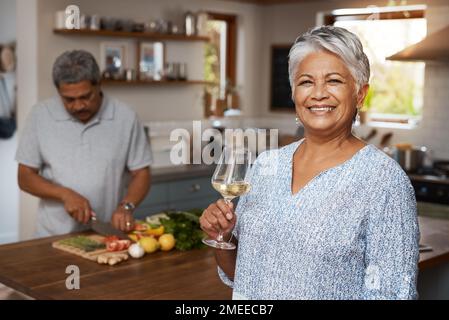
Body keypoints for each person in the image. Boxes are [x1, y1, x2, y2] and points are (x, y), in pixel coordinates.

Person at [200, 26, 419, 300]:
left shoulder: (383, 181)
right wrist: (224, 237)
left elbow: (394, 295)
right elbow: (242, 278)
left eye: (334, 81)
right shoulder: (266, 165)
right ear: (294, 94)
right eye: (306, 82)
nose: (318, 94)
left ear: (360, 94)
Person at [16, 50, 152, 237]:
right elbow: (25, 177)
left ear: (99, 85)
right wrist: (65, 194)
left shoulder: (125, 117)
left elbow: (141, 173)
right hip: (52, 236)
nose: (78, 106)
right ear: (58, 91)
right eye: (69, 100)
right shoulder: (39, 116)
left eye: (86, 97)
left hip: (107, 234)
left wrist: (126, 206)